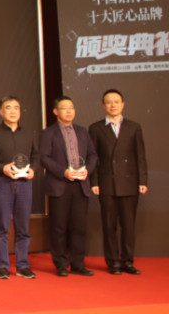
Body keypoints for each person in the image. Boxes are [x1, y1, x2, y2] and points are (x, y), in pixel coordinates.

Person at [89, 89, 148, 275]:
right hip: (106, 182)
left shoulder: (134, 127)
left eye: (116, 101)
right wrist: (94, 182)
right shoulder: (96, 128)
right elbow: (93, 158)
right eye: (109, 102)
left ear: (123, 105)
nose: (113, 105)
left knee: (129, 225)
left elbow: (140, 156)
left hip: (130, 182)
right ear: (103, 105)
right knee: (109, 225)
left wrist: (142, 180)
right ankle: (113, 263)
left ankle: (128, 262)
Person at [0, 96, 38, 280]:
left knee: (23, 228)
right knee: (1, 228)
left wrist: (33, 170)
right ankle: (2, 266)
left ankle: (23, 266)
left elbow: (37, 156)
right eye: (8, 108)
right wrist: (2, 168)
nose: (13, 111)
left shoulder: (28, 133)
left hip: (25, 184)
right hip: (2, 183)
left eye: (16, 108)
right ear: (1, 111)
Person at [40, 96, 98, 277]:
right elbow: (44, 158)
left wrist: (87, 170)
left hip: (80, 184)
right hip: (60, 184)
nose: (69, 111)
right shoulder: (48, 133)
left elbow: (93, 155)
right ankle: (61, 265)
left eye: (71, 108)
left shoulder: (82, 131)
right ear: (55, 111)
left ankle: (78, 264)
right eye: (64, 108)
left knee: (79, 227)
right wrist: (63, 172)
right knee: (59, 228)